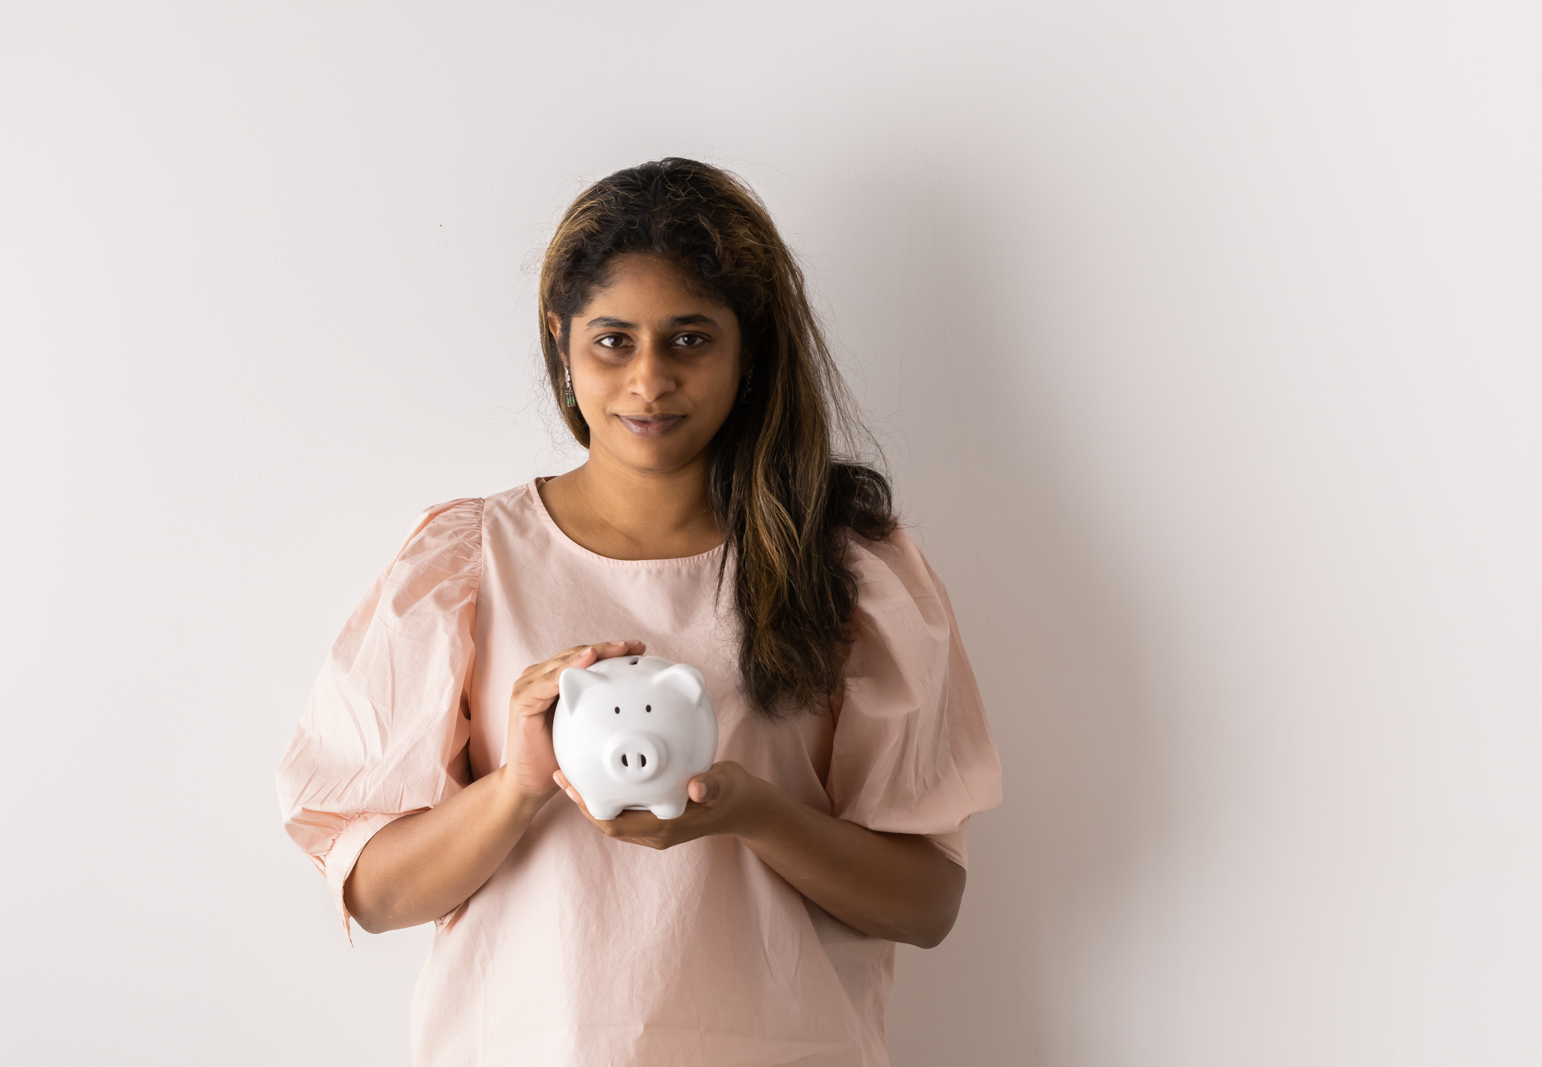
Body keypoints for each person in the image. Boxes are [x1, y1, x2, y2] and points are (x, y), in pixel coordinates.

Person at [276, 158, 1002, 1066]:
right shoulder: (465, 565)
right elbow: (374, 893)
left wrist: (751, 812)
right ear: (561, 337)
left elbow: (926, 901)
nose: (648, 380)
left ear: (751, 346)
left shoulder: (845, 565)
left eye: (690, 339)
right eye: (613, 340)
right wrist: (515, 788)